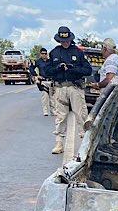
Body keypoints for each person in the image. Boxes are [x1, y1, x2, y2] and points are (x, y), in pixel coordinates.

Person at [44, 26, 92, 155]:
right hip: (60, 88)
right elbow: (46, 71)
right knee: (61, 116)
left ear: (70, 39)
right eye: (62, 40)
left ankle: (85, 144)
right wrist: (58, 68)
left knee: (81, 115)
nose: (65, 43)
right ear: (59, 40)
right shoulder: (54, 53)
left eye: (67, 40)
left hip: (75, 87)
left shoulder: (78, 52)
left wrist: (73, 68)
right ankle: (59, 143)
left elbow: (88, 70)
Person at [29, 47, 53, 117]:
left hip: (51, 80)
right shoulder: (38, 61)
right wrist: (36, 75)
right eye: (43, 54)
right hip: (43, 81)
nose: (44, 55)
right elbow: (31, 68)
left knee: (52, 97)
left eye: (45, 53)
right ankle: (45, 111)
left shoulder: (50, 61)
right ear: (40, 54)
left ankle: (53, 111)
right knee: (45, 97)